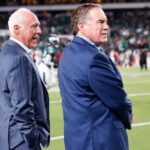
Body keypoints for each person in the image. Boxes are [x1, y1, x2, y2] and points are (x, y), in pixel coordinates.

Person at [58, 3, 133, 150]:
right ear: (81, 26)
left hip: (77, 139)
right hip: (101, 139)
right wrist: (128, 114)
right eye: (100, 22)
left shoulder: (67, 53)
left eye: (106, 22)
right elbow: (117, 99)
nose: (106, 27)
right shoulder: (94, 57)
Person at [0, 8, 50, 150]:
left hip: (9, 139)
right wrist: (32, 139)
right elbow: (22, 107)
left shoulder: (7, 51)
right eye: (34, 26)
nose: (39, 31)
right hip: (21, 141)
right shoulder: (19, 58)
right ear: (17, 29)